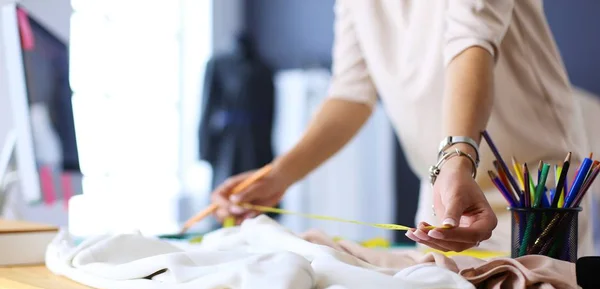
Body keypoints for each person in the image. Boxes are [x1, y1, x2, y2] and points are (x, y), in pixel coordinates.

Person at [210, 0, 593, 256]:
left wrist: (457, 158)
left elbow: (471, 43)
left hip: (537, 192)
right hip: (443, 189)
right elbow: (351, 93)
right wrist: (278, 177)